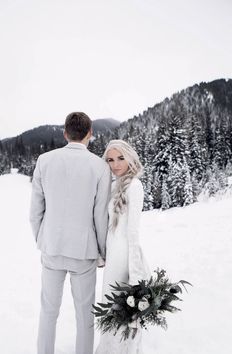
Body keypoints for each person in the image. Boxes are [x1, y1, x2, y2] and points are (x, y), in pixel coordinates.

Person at [29, 112, 111, 354]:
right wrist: (102, 252)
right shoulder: (99, 166)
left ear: (65, 133)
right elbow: (100, 216)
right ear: (90, 134)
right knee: (85, 315)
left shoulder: (44, 160)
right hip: (83, 252)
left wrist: (43, 239)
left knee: (48, 312)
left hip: (51, 248)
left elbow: (35, 211)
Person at [95, 140, 150, 354]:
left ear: (130, 157)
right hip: (113, 257)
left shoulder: (135, 186)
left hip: (126, 257)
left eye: (120, 158)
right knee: (110, 308)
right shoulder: (112, 185)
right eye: (110, 160)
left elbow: (133, 232)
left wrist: (135, 273)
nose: (116, 164)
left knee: (124, 310)